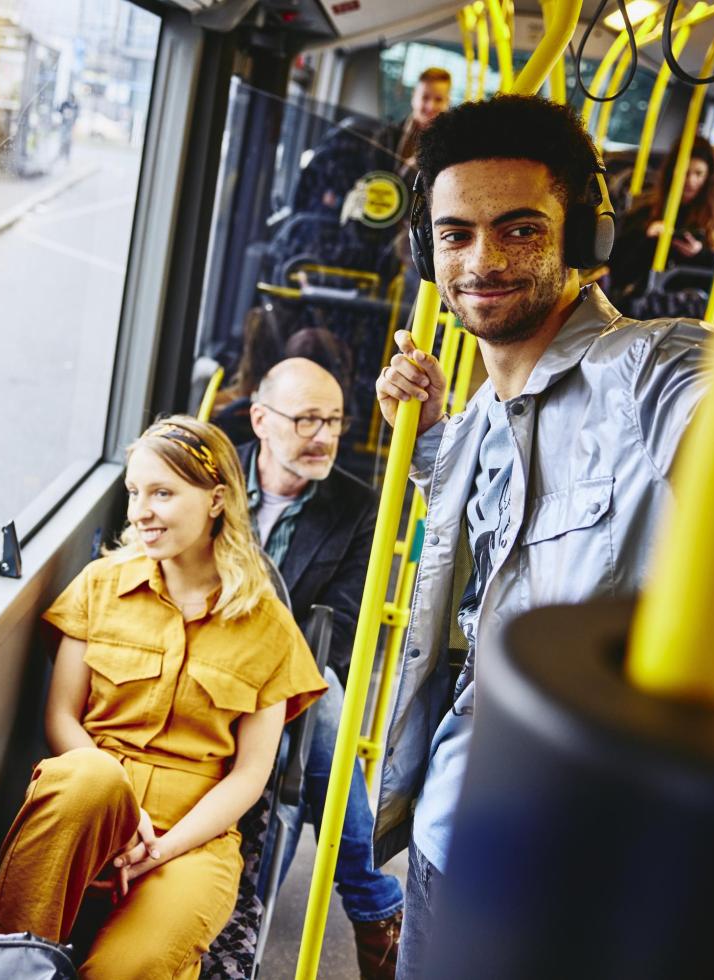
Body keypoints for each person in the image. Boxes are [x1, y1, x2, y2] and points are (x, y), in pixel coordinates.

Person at [373, 95, 712, 977]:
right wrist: (434, 438)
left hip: (595, 869)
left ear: (585, 241)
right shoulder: (480, 418)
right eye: (454, 235)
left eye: (519, 230)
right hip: (453, 830)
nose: (481, 260)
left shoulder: (655, 365)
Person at [0, 415, 328, 979]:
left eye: (162, 493)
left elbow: (249, 775)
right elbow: (61, 717)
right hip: (94, 804)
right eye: (135, 491)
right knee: (87, 777)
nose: (140, 511)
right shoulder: (99, 586)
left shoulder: (268, 627)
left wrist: (161, 847)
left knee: (130, 968)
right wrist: (127, 810)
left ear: (216, 500)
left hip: (191, 839)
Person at [240, 357, 405, 978]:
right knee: (322, 727)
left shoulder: (358, 506)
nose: (324, 437)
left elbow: (337, 628)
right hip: (200, 659)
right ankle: (372, 906)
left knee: (312, 718)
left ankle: (248, 924)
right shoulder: (214, 476)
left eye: (334, 421)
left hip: (295, 670)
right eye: (307, 419)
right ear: (261, 420)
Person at [608, 135, 714, 310]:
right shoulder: (645, 211)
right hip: (643, 304)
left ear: (708, 177)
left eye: (698, 174)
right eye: (685, 172)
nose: (691, 181)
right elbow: (617, 270)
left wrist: (699, 255)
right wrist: (647, 238)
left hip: (690, 307)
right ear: (673, 172)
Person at [375, 67, 453, 180]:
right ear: (414, 97)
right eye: (425, 97)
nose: (431, 106)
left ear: (447, 102)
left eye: (439, 99)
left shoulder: (452, 145)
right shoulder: (386, 136)